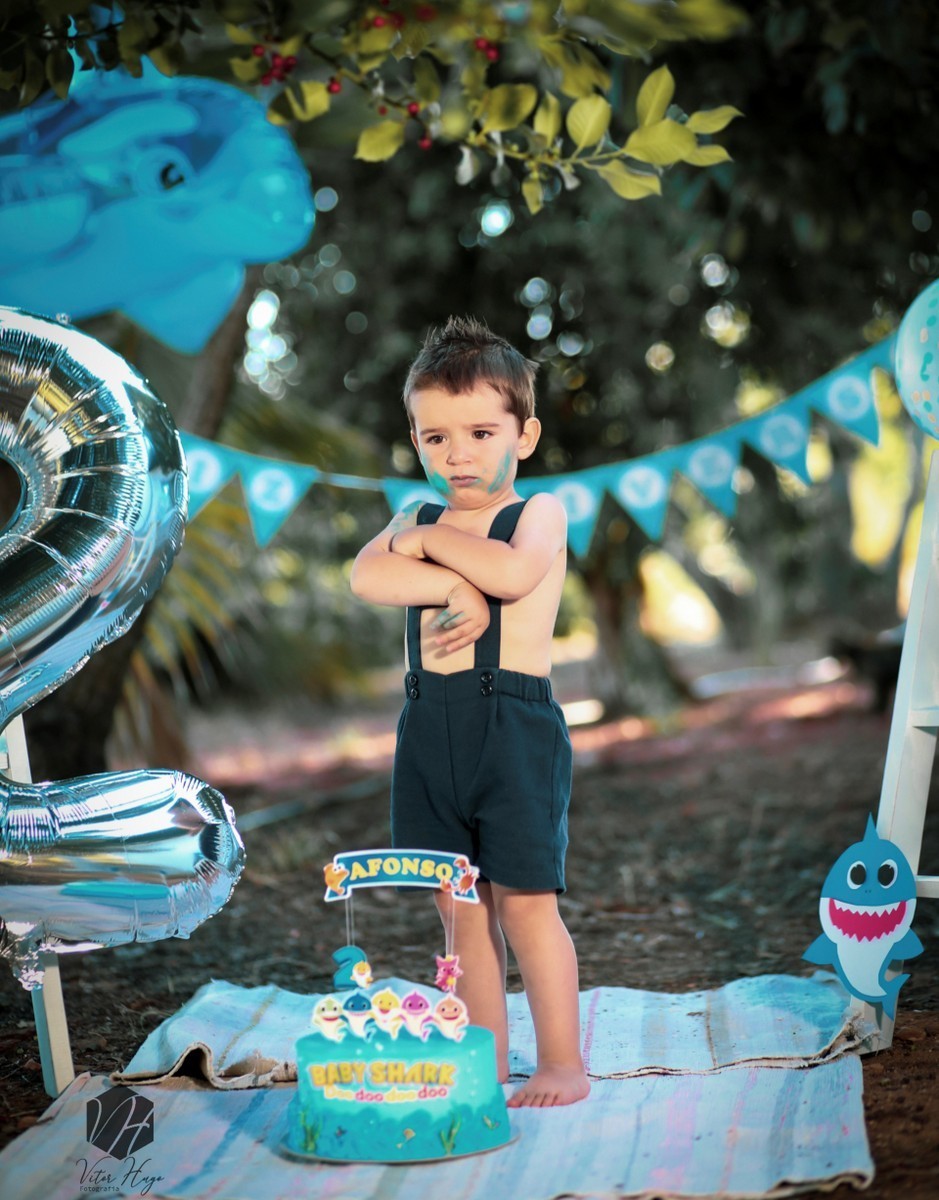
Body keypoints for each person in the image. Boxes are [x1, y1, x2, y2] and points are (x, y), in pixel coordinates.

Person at [351, 316, 589, 1108]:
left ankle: (561, 1063)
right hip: (428, 732)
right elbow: (365, 578)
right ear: (415, 441)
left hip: (511, 730)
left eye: (481, 433)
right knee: (457, 909)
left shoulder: (537, 513)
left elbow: (512, 575)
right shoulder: (415, 518)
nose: (457, 455)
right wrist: (454, 586)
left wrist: (431, 548)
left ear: (524, 435)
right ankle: (484, 1059)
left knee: (524, 904)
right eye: (436, 438)